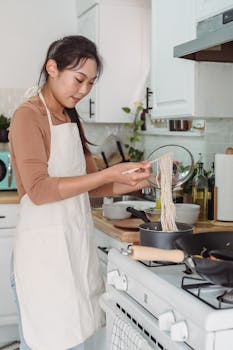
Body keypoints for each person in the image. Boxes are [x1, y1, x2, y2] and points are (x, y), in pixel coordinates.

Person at [9, 35, 151, 350]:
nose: (84, 89)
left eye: (91, 83)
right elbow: (40, 190)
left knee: (80, 338)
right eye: (79, 79)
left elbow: (91, 184)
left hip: (75, 250)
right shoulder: (28, 115)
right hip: (43, 260)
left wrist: (130, 182)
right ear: (52, 68)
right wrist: (107, 172)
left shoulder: (71, 118)